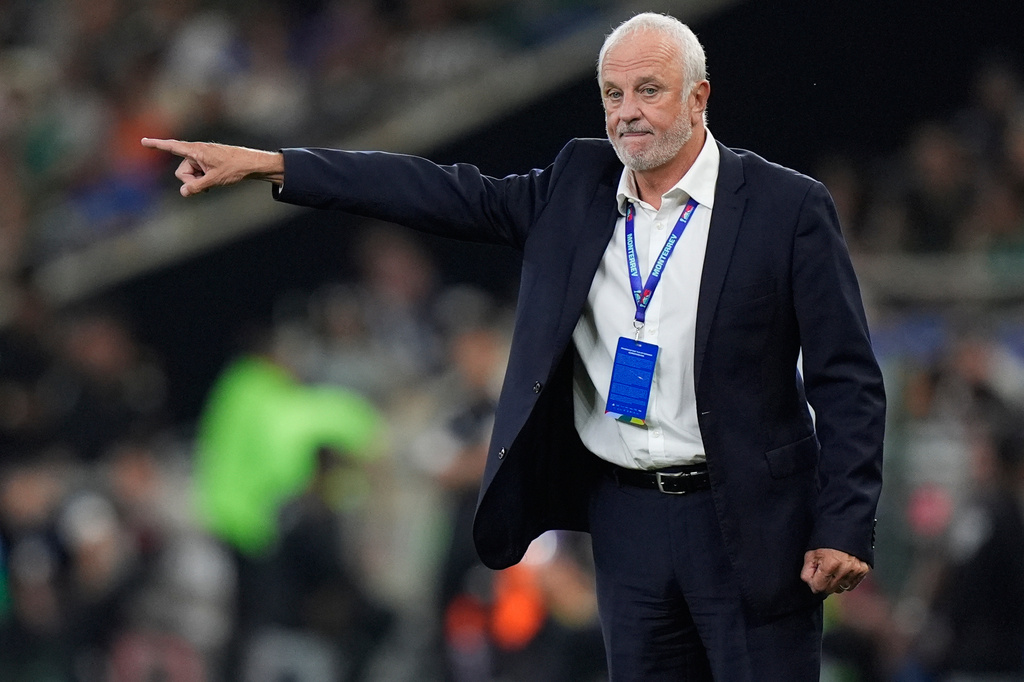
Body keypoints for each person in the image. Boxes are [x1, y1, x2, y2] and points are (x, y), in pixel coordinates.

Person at [142, 11, 885, 680]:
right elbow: (433, 190)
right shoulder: (576, 184)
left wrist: (844, 523)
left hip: (751, 517)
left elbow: (845, 376)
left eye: (649, 91)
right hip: (626, 519)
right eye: (612, 94)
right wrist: (277, 165)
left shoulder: (787, 207)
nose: (626, 114)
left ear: (699, 98)